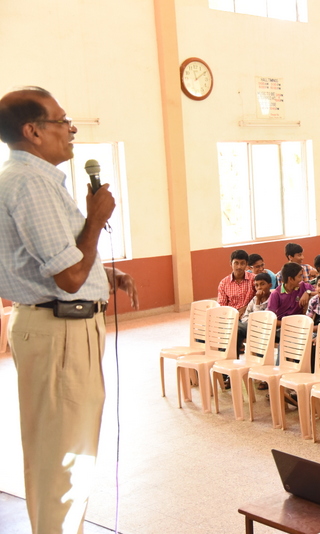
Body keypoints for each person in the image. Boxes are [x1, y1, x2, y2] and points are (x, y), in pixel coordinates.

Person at [0, 86, 139, 533]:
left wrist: (104, 274)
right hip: (58, 330)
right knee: (63, 463)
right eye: (62, 120)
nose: (72, 128)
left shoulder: (34, 180)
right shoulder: (29, 183)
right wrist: (96, 219)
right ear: (33, 131)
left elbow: (59, 261)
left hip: (61, 326)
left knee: (67, 458)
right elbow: (68, 278)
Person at [268, 262, 314, 331]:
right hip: (282, 327)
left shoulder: (302, 286)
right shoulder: (276, 294)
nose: (301, 279)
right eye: (299, 276)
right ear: (291, 279)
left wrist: (308, 292)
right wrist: (290, 324)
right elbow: (271, 319)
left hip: (300, 325)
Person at [236, 272, 272, 353]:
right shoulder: (254, 299)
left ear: (270, 285)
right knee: (235, 327)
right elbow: (245, 317)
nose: (259, 287)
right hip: (250, 326)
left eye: (262, 284)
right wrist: (251, 322)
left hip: (264, 328)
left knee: (237, 326)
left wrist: (258, 301)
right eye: (256, 285)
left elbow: (258, 320)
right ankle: (233, 353)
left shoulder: (272, 299)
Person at [218, 249, 255, 316]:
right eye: (236, 263)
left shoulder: (254, 279)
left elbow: (260, 300)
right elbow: (222, 305)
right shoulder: (224, 283)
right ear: (230, 263)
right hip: (231, 316)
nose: (239, 267)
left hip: (250, 315)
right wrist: (234, 314)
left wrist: (245, 309)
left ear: (246, 264)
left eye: (242, 263)